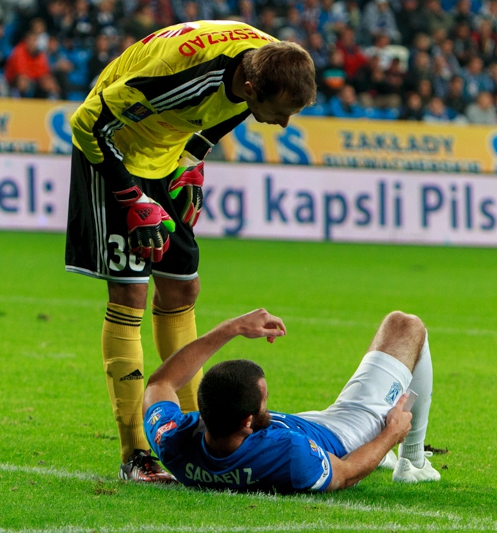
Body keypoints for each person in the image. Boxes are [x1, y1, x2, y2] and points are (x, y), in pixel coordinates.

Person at [64, 20, 316, 483]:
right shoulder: (179, 77)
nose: (282, 123)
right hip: (113, 155)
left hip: (165, 153)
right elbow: (85, 123)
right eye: (279, 112)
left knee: (182, 288)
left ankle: (196, 429)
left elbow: (225, 115)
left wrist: (192, 162)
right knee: (130, 296)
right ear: (251, 83)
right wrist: (130, 198)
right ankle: (136, 453)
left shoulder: (265, 59)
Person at [143, 308, 439, 492]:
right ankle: (412, 461)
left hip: (304, 425)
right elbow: (347, 474)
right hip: (341, 434)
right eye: (264, 402)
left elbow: (161, 383)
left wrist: (232, 328)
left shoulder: (174, 440)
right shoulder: (288, 454)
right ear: (247, 421)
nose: (267, 406)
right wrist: (392, 433)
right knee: (405, 326)